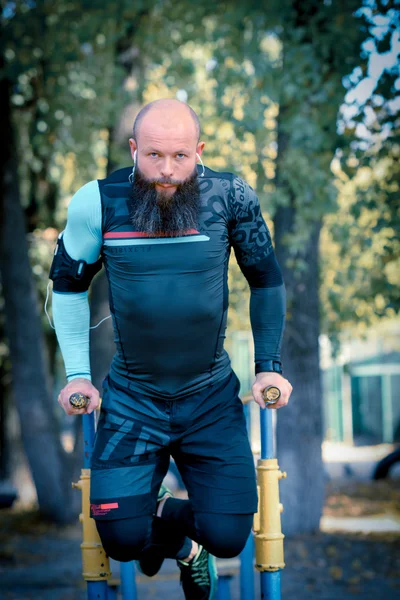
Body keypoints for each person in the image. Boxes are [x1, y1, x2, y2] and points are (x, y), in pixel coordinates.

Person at [51, 98, 292, 600]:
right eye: (154, 155)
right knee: (119, 540)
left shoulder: (231, 195)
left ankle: (179, 527)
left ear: (199, 151)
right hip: (133, 399)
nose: (166, 171)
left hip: (209, 397)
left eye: (180, 156)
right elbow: (67, 286)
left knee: (228, 535)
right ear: (134, 149)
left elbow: (266, 280)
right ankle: (181, 544)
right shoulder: (96, 201)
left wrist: (268, 368)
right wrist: (77, 375)